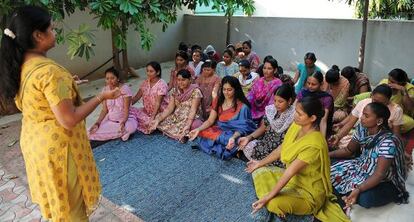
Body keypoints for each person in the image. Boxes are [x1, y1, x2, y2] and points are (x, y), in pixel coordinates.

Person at [0, 6, 122, 221]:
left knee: (57, 206)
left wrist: (69, 85)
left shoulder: (19, 66)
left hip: (35, 144)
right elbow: (69, 119)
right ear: (38, 35)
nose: (55, 33)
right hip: (59, 151)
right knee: (70, 209)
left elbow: (37, 98)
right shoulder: (49, 71)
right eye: (51, 29)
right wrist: (101, 97)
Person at [246, 97, 349, 221]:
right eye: (296, 111)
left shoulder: (315, 144)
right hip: (293, 180)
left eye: (300, 114)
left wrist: (269, 197)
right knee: (259, 171)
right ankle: (276, 197)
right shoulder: (297, 125)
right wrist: (259, 163)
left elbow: (290, 172)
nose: (295, 115)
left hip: (309, 192)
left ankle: (289, 206)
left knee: (273, 203)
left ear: (312, 118)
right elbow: (282, 148)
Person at [329, 102, 409, 209]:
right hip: (361, 167)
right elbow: (348, 150)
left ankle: (390, 193)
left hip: (383, 179)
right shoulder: (362, 129)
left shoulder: (387, 142)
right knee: (328, 165)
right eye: (362, 114)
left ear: (379, 121)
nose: (361, 118)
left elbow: (379, 174)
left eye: (366, 116)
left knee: (365, 199)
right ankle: (351, 191)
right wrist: (326, 155)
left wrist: (359, 189)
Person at [188, 76, 256, 160]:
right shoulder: (218, 101)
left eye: (229, 90)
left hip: (234, 134)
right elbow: (210, 121)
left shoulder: (243, 107)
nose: (226, 92)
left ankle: (229, 147)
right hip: (219, 130)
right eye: (224, 89)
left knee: (231, 140)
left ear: (236, 90)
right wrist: (198, 129)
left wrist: (233, 138)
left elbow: (242, 129)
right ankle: (231, 149)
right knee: (204, 132)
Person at [330, 84, 404, 149]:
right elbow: (350, 124)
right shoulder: (363, 103)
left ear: (388, 100)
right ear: (371, 95)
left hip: (380, 141)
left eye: (381, 103)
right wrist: (338, 136)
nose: (376, 105)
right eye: (374, 100)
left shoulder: (396, 110)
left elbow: (395, 134)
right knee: (343, 144)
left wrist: (399, 149)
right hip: (358, 137)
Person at [238, 84, 296, 165]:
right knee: (247, 145)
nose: (276, 104)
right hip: (266, 145)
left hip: (281, 149)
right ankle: (264, 162)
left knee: (285, 160)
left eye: (280, 101)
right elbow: (262, 128)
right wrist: (249, 137)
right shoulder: (271, 110)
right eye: (275, 100)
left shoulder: (294, 116)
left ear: (289, 101)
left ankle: (265, 162)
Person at [152, 69, 203, 142]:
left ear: (189, 80)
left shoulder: (195, 91)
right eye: (178, 80)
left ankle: (184, 133)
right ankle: (182, 134)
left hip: (191, 117)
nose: (180, 82)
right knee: (159, 118)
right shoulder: (174, 90)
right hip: (178, 116)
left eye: (183, 80)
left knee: (194, 125)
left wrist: (187, 125)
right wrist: (158, 120)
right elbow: (170, 108)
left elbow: (193, 110)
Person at [88, 68, 138, 141]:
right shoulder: (105, 90)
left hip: (126, 119)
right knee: (90, 131)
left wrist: (123, 122)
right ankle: (119, 132)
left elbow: (126, 109)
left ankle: (121, 131)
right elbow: (104, 110)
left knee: (130, 128)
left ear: (117, 78)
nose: (109, 81)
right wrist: (97, 123)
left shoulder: (124, 89)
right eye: (107, 78)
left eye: (112, 78)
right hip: (110, 120)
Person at [130, 62, 169, 134]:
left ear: (158, 72)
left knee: (150, 123)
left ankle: (152, 124)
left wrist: (152, 118)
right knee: (129, 111)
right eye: (147, 71)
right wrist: (126, 105)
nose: (148, 73)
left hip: (159, 113)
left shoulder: (162, 84)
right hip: (147, 112)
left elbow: (158, 103)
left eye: (151, 71)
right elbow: (136, 97)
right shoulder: (145, 82)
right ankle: (149, 124)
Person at [297, 71, 333, 138]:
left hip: (316, 127)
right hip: (300, 124)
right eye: (308, 83)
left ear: (321, 84)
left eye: (313, 84)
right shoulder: (302, 93)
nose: (310, 86)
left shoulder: (326, 98)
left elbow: (323, 120)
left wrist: (322, 139)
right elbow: (296, 110)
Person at [379, 68, 414, 133]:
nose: (389, 82)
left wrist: (403, 91)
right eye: (389, 79)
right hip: (382, 109)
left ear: (401, 83)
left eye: (392, 82)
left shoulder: (409, 88)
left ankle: (385, 126)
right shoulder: (384, 82)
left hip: (397, 113)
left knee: (410, 122)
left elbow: (409, 107)